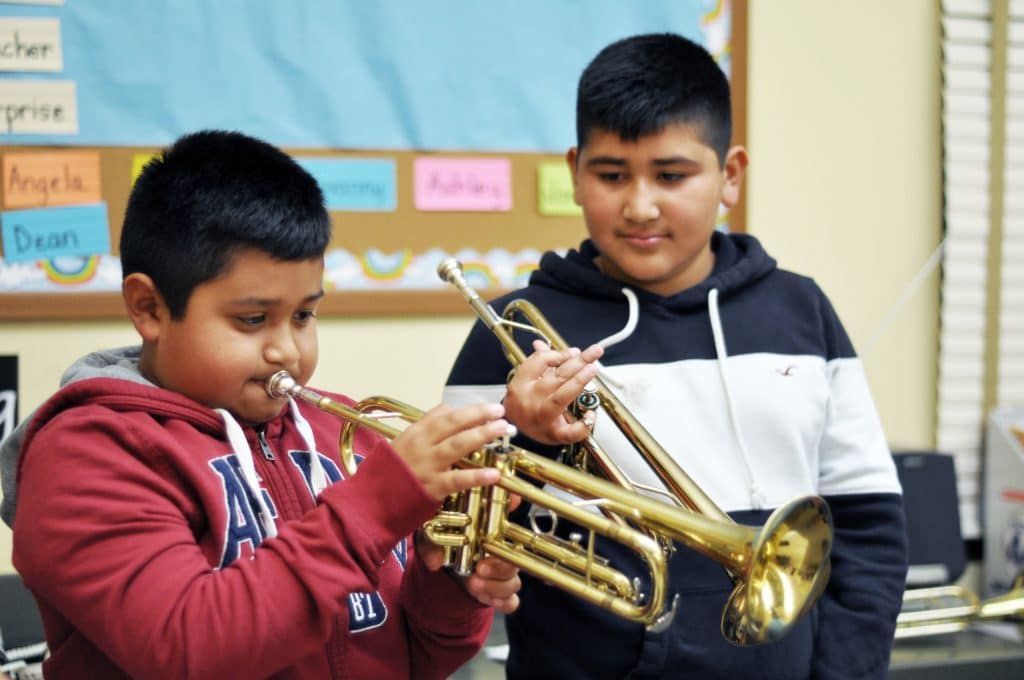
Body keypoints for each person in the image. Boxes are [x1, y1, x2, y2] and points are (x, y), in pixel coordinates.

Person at [443, 33, 908, 679]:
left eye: (671, 175)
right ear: (575, 173)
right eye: (611, 175)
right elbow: (454, 530)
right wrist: (526, 433)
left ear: (731, 175)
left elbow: (867, 530)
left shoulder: (801, 314)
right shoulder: (512, 331)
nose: (639, 205)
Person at [0, 130, 520, 679]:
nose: (287, 350)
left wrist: (452, 587)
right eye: (252, 320)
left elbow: (418, 659)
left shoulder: (344, 434)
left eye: (304, 315)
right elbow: (188, 651)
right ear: (148, 308)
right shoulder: (84, 455)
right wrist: (375, 507)